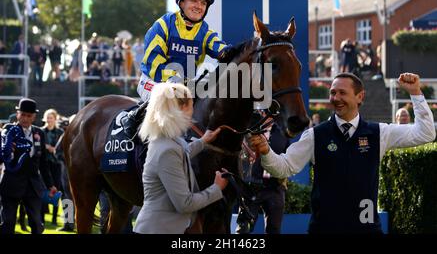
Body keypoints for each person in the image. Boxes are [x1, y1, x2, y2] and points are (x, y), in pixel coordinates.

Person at [248, 72, 436, 234]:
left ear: (360, 96)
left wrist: (415, 93)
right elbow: (285, 168)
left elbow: (426, 133)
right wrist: (266, 151)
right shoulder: (315, 135)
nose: (335, 98)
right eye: (332, 92)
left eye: (342, 93)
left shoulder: (379, 133)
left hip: (368, 230)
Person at [123, 0, 235, 138]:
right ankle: (133, 119)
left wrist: (237, 52)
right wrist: (179, 81)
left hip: (185, 87)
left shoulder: (204, 32)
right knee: (169, 98)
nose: (199, 6)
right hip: (153, 82)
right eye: (194, 1)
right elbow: (153, 66)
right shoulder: (162, 26)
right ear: (181, 3)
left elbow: (221, 49)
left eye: (203, 3)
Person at [133, 82, 228, 234]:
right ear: (182, 109)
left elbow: (181, 154)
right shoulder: (168, 150)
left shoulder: (164, 140)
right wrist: (217, 188)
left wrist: (203, 141)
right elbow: (185, 204)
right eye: (191, 106)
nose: (193, 112)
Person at [0, 98, 57, 234]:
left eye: (29, 115)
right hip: (11, 183)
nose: (25, 118)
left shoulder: (39, 133)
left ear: (34, 117)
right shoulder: (8, 129)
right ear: (18, 114)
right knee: (8, 223)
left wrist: (50, 184)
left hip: (32, 185)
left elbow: (43, 162)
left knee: (37, 223)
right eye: (23, 114)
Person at [235, 123, 289, 234]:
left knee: (274, 230)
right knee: (244, 229)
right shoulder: (247, 130)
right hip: (251, 188)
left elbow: (288, 158)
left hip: (275, 187)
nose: (267, 113)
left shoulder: (282, 132)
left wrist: (283, 179)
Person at [41, 108, 64, 226]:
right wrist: (45, 147)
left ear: (55, 119)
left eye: (51, 118)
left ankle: (55, 218)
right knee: (43, 190)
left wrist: (53, 149)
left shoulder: (60, 132)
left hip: (56, 165)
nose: (49, 120)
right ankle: (42, 218)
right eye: (48, 118)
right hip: (44, 165)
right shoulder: (40, 131)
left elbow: (62, 149)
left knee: (56, 190)